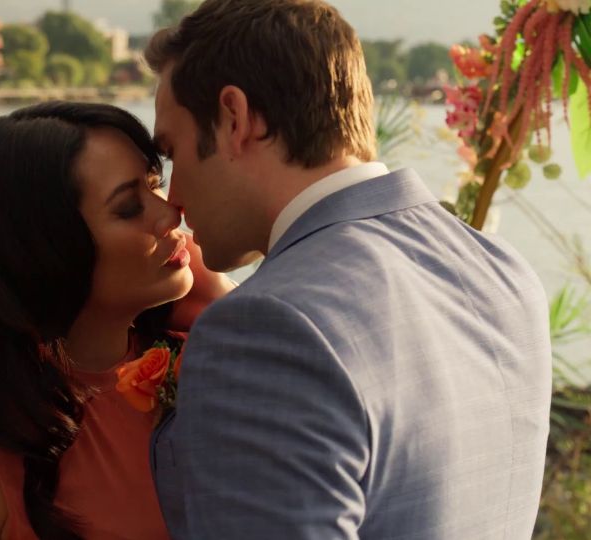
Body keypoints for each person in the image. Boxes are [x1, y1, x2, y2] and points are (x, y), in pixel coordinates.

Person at [146, 0, 553, 538]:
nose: (173, 197)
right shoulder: (504, 273)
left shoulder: (266, 330)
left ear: (234, 119)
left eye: (172, 152)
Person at [0, 102, 233, 539]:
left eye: (156, 186)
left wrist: (221, 296)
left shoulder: (194, 364)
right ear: (42, 254)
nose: (170, 214)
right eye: (129, 206)